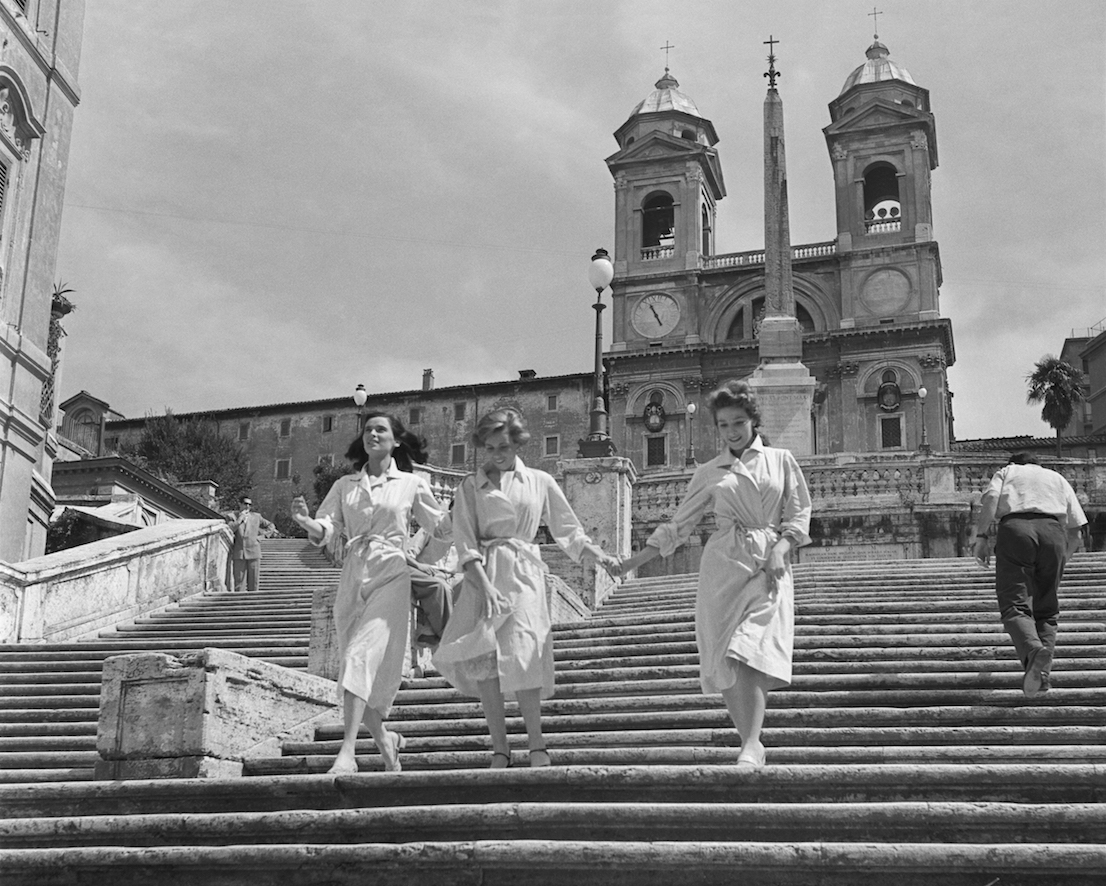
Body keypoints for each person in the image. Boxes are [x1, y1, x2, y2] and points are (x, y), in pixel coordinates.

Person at [621, 380, 811, 768]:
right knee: (725, 657)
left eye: (738, 422)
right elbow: (679, 526)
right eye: (723, 425)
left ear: (753, 421)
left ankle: (752, 742)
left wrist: (780, 548)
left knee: (750, 648)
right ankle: (750, 743)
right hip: (722, 567)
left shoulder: (781, 460)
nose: (732, 431)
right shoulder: (709, 472)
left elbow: (798, 514)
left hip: (767, 566)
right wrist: (631, 563)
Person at [433, 408, 620, 768]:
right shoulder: (471, 487)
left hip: (523, 575)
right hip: (483, 576)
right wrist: (484, 586)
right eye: (488, 448)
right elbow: (466, 542)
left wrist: (598, 555)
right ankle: (500, 750)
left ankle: (537, 745)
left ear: (517, 443)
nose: (495, 455)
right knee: (486, 663)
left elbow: (568, 529)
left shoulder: (539, 481)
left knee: (524, 653)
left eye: (502, 446)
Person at [291, 412, 445, 774]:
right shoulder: (345, 485)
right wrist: (305, 523)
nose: (373, 433)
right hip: (353, 574)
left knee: (359, 657)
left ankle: (347, 753)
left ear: (395, 441)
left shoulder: (411, 483)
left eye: (381, 429)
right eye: (368, 429)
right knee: (353, 667)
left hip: (391, 573)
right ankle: (385, 740)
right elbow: (327, 527)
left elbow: (440, 527)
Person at [972, 452, 1087, 698]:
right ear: (1038, 465)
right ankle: (1041, 675)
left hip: (1017, 531)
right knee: (1047, 611)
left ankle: (1034, 650)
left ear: (1014, 463)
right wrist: (1060, 561)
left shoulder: (1008, 472)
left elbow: (992, 499)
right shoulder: (1056, 478)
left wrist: (981, 537)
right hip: (1054, 533)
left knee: (1014, 605)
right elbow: (1077, 533)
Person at [230, 497, 274, 593]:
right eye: (245, 503)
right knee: (239, 583)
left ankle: (253, 603)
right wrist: (240, 519)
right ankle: (239, 604)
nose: (248, 506)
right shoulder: (232, 516)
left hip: (254, 551)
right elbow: (230, 529)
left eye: (250, 504)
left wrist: (262, 537)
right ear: (240, 504)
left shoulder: (256, 516)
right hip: (239, 552)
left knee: (254, 582)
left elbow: (271, 526)